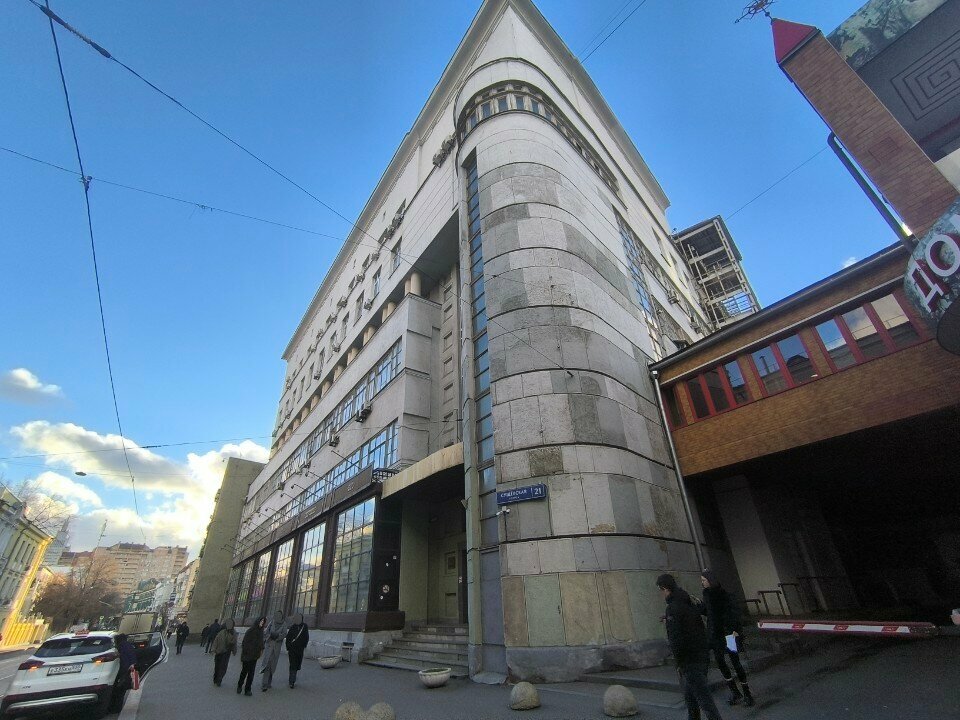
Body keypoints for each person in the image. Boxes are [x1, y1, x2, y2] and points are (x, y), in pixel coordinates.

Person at [657, 573, 724, 720]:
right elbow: (693, 624)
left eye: (661, 590)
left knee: (705, 701)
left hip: (689, 660)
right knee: (691, 699)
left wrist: (679, 662)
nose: (661, 594)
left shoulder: (673, 608)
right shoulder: (688, 602)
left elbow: (676, 638)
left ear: (665, 589)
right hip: (701, 654)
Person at [701, 569, 754, 707]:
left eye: (704, 580)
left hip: (729, 635)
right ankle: (735, 691)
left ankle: (747, 693)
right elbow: (708, 612)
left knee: (735, 662)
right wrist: (698, 607)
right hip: (716, 635)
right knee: (720, 662)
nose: (702, 583)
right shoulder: (707, 595)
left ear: (711, 580)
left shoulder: (724, 595)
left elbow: (733, 615)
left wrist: (733, 631)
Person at [260, 610, 288, 692]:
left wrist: (277, 637)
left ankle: (269, 682)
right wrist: (270, 636)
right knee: (267, 664)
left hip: (276, 648)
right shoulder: (271, 622)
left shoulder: (284, 624)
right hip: (269, 646)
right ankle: (264, 684)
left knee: (272, 665)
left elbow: (284, 634)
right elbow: (266, 632)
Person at [238, 617, 266, 696]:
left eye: (263, 621)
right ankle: (239, 685)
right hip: (247, 655)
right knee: (244, 672)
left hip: (254, 656)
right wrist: (248, 651)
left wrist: (261, 649)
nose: (262, 623)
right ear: (258, 621)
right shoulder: (250, 630)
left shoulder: (261, 632)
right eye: (261, 621)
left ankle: (248, 689)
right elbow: (244, 643)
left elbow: (261, 643)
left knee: (251, 673)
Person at [285, 613, 309, 689]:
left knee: (297, 664)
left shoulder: (304, 626)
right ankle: (291, 681)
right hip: (292, 650)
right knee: (293, 665)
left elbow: (306, 637)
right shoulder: (292, 627)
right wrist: (288, 647)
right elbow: (288, 638)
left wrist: (304, 646)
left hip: (300, 650)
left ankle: (292, 678)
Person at [211, 618, 237, 687]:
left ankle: (219, 679)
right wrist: (213, 649)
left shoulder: (233, 632)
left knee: (223, 667)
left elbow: (234, 643)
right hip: (219, 651)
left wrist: (234, 650)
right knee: (217, 666)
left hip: (226, 652)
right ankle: (215, 678)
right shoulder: (221, 631)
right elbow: (216, 640)